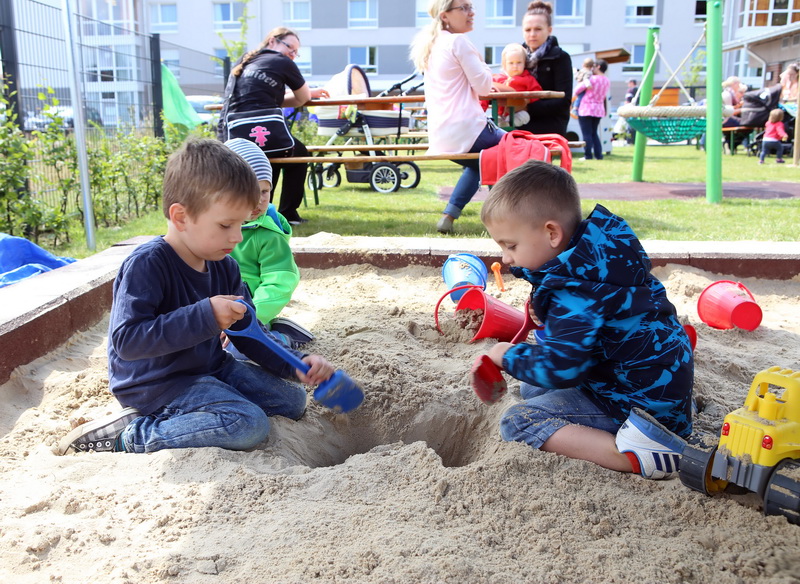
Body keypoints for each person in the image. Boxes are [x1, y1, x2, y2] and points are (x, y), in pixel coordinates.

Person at [58, 138, 337, 455]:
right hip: (157, 382)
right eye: (226, 225)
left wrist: (296, 364)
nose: (237, 237)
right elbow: (127, 341)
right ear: (181, 217)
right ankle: (131, 435)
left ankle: (200, 410)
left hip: (211, 366)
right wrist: (206, 316)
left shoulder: (226, 267)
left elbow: (250, 335)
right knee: (247, 425)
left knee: (292, 400)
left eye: (242, 224)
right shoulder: (147, 265)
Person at [479, 160, 694, 480]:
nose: (506, 258)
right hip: (655, 386)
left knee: (519, 420)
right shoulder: (599, 256)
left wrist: (503, 354)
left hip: (639, 409)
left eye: (511, 246)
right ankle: (649, 430)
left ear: (552, 233)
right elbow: (593, 320)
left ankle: (632, 455)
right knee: (533, 385)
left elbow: (561, 366)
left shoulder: (575, 292)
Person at [410, 0, 505, 235]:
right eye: (463, 8)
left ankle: (449, 215)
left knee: (481, 164)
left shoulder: (433, 45)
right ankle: (505, 219)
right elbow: (483, 86)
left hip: (443, 135)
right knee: (518, 151)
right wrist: (484, 66)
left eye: (471, 6)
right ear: (445, 16)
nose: (471, 12)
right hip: (468, 128)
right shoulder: (458, 41)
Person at [217, 27, 327, 226]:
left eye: (296, 52)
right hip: (262, 129)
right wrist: (311, 93)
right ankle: (288, 213)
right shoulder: (282, 62)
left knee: (269, 157)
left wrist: (275, 98)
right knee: (297, 154)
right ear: (272, 42)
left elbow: (252, 96)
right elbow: (303, 98)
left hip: (231, 131)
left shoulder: (245, 60)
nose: (292, 54)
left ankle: (255, 212)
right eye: (290, 47)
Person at [223, 138, 313, 349]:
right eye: (250, 191)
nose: (259, 199)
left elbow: (280, 281)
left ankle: (282, 337)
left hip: (250, 312)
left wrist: (252, 316)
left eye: (265, 191)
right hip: (216, 311)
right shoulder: (213, 227)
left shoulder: (268, 235)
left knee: (239, 350)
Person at [517, 1, 573, 137]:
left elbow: (563, 101)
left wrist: (527, 107)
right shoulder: (517, 56)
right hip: (520, 117)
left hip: (550, 122)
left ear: (549, 30)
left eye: (538, 29)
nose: (532, 34)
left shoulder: (560, 57)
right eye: (528, 30)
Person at [480, 43, 542, 128]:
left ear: (525, 64)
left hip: (518, 111)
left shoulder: (528, 79)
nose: (515, 66)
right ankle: (499, 124)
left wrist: (528, 99)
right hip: (499, 112)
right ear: (505, 64)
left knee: (524, 116)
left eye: (519, 63)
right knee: (492, 119)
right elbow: (485, 93)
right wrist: (481, 110)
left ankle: (509, 123)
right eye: (511, 63)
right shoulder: (497, 79)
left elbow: (537, 92)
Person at [574, 59, 610, 160]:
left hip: (586, 108)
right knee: (594, 133)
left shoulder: (591, 79)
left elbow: (577, 90)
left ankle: (588, 155)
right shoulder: (606, 80)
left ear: (598, 67)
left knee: (587, 134)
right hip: (599, 109)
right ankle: (599, 155)